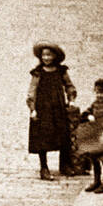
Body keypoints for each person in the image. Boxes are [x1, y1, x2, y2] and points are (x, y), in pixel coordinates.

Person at [26, 44, 75, 181]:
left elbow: (69, 86)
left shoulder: (61, 71)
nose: (46, 58)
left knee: (63, 134)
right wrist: (33, 109)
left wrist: (71, 99)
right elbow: (32, 91)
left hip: (58, 107)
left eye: (49, 55)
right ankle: (44, 168)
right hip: (43, 108)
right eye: (44, 55)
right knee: (42, 138)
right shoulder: (38, 73)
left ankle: (64, 165)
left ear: (55, 56)